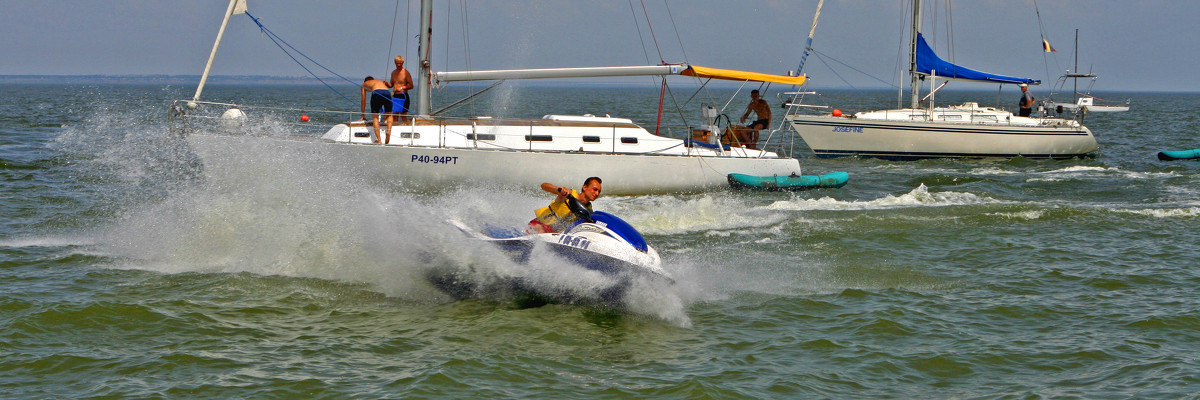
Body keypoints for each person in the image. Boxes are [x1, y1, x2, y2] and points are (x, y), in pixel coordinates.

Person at [528, 177, 603, 234]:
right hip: (539, 225)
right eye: (595, 189)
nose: (597, 193)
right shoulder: (567, 194)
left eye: (599, 191)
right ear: (585, 187)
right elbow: (543, 186)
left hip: (553, 234)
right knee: (540, 231)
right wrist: (557, 189)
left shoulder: (588, 210)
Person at [360, 76, 393, 144]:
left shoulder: (364, 85)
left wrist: (363, 115)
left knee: (375, 117)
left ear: (366, 81)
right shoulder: (379, 81)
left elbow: (363, 100)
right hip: (387, 92)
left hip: (377, 92)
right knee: (389, 114)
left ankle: (379, 140)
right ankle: (388, 131)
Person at [390, 56, 415, 123]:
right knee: (394, 115)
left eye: (400, 63)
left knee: (403, 115)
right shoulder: (393, 73)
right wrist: (386, 84)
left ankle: (406, 127)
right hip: (395, 96)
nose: (399, 65)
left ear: (402, 63)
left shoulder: (406, 73)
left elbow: (411, 85)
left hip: (403, 96)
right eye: (397, 63)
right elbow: (391, 84)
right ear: (395, 63)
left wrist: (401, 88)